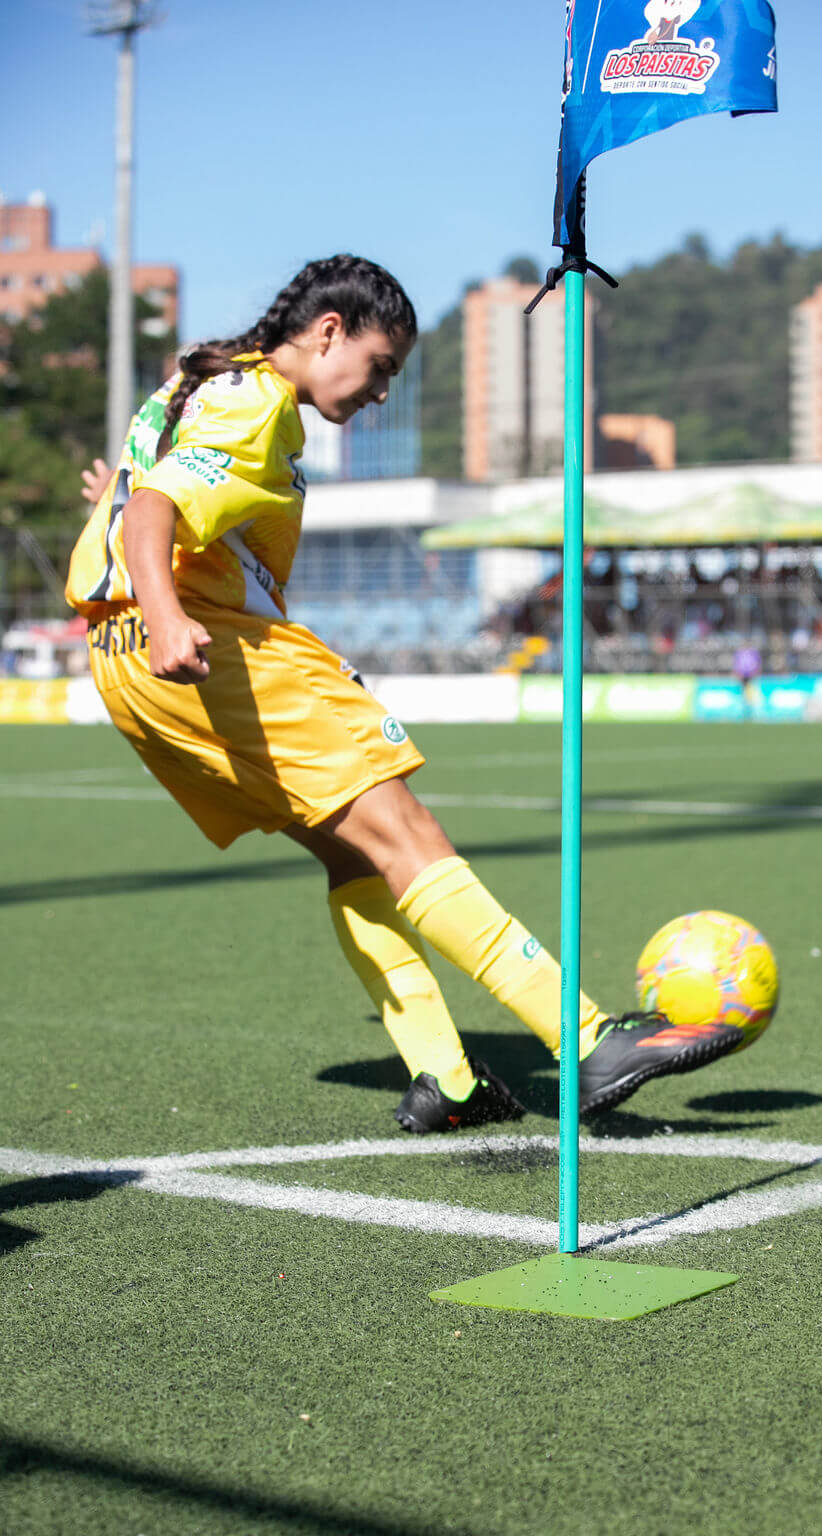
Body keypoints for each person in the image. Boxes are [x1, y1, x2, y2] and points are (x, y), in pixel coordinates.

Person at [67, 254, 743, 1134]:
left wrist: (121, 524)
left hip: (123, 661)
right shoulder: (256, 400)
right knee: (406, 834)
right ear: (328, 331)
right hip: (196, 639)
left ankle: (445, 1077)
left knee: (352, 856)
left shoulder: (204, 380)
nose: (381, 392)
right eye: (381, 367)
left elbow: (143, 488)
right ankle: (585, 1037)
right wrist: (164, 608)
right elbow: (155, 508)